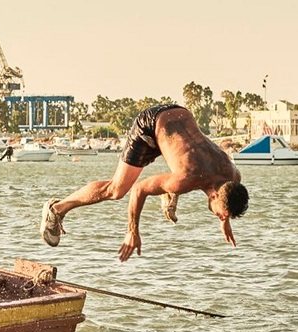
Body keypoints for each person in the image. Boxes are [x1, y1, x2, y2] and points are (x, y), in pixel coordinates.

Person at [40, 104, 249, 262]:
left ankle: (166, 189)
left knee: (181, 177)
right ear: (214, 194)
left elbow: (221, 194)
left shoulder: (233, 175)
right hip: (150, 127)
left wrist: (225, 219)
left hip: (179, 115)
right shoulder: (187, 179)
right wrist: (132, 231)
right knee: (116, 190)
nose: (221, 217)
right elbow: (139, 189)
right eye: (222, 214)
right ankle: (56, 208)